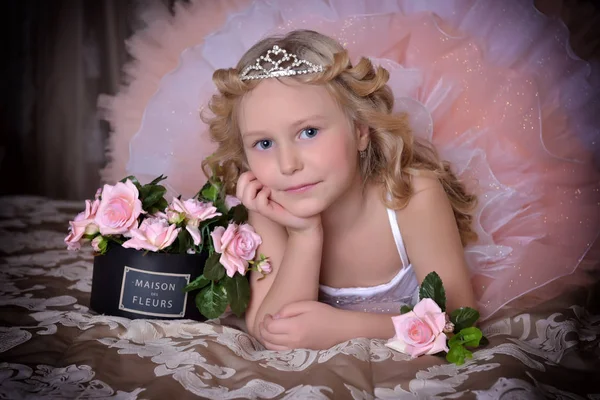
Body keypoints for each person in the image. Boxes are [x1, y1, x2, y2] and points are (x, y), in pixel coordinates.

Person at [202, 30, 477, 350]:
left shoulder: (411, 196)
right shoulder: (269, 207)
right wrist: (305, 235)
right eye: (264, 143)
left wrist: (346, 327)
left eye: (308, 132)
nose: (288, 164)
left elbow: (459, 319)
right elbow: (272, 332)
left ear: (360, 131)